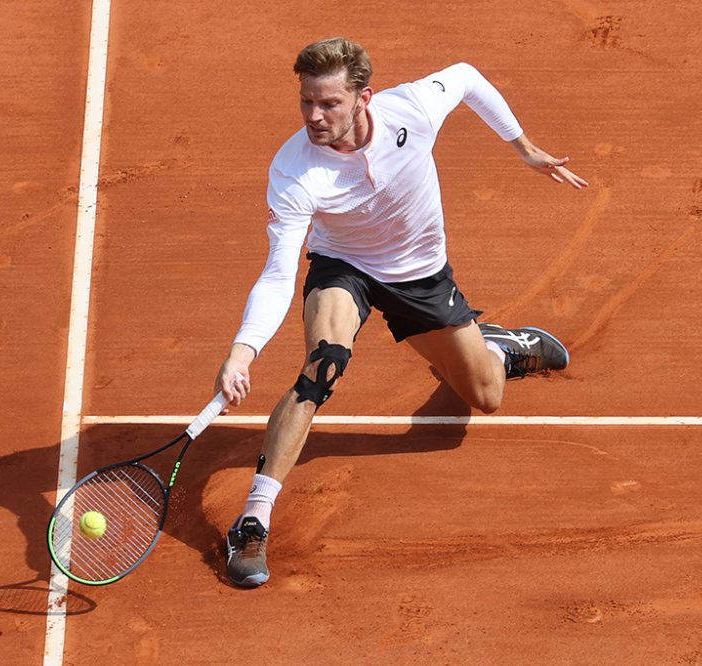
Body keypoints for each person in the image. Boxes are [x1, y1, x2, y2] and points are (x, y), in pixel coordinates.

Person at [214, 37, 588, 588]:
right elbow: (277, 273)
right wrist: (241, 353)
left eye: (329, 104)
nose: (314, 116)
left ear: (364, 98)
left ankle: (498, 348)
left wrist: (523, 147)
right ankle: (253, 519)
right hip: (346, 266)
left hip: (420, 275)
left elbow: (464, 75)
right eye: (306, 102)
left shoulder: (410, 107)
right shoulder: (295, 171)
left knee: (484, 398)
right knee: (323, 365)